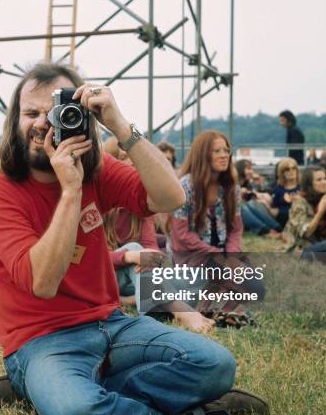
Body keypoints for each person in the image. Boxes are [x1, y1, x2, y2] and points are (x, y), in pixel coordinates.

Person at [0, 63, 268, 415]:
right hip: (40, 341)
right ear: (14, 121)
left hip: (111, 324)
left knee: (216, 364)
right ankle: (180, 411)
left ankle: (56, 391)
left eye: (58, 109)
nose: (45, 123)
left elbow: (171, 198)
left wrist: (121, 125)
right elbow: (43, 282)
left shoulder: (99, 169)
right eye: (31, 113)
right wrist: (70, 191)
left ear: (81, 117)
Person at [103, 138, 214, 333]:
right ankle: (181, 311)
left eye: (134, 159)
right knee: (136, 249)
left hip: (136, 276)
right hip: (105, 277)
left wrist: (150, 257)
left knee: (199, 275)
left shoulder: (142, 200)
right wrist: (130, 256)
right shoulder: (97, 201)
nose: (132, 163)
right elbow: (92, 258)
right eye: (124, 159)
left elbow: (150, 244)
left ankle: (138, 300)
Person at [170, 131, 266, 325]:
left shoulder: (231, 186)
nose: (224, 155)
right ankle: (206, 310)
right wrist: (216, 254)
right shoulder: (185, 186)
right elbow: (181, 235)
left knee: (256, 288)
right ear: (203, 155)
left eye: (226, 150)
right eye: (217, 151)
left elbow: (236, 229)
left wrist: (231, 255)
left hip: (223, 254)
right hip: (195, 255)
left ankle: (223, 313)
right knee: (228, 279)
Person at [284, 167, 326, 261]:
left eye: (325, 178)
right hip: (304, 249)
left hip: (322, 243)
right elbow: (306, 233)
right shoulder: (300, 202)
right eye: (319, 180)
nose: (324, 182)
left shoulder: (325, 198)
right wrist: (320, 211)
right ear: (309, 184)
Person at [235, 159, 282, 238]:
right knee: (240, 206)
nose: (251, 172)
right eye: (248, 169)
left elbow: (261, 195)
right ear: (240, 169)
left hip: (245, 216)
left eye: (251, 169)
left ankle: (277, 228)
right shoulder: (232, 182)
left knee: (253, 203)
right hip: (233, 214)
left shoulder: (248, 184)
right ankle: (264, 231)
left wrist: (259, 185)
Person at [271, 158, 300, 229]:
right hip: (283, 221)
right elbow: (274, 209)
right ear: (282, 173)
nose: (291, 171)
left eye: (293, 168)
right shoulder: (277, 189)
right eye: (287, 169)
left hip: (301, 218)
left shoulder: (303, 186)